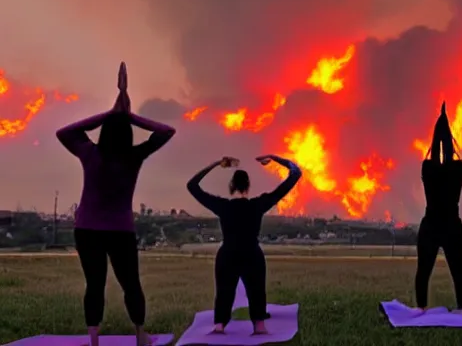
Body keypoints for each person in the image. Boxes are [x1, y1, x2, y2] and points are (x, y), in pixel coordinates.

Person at [56, 64, 176, 346]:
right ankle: (140, 336)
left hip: (87, 229)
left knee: (94, 285)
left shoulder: (89, 152)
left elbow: (65, 132)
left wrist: (109, 115)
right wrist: (129, 117)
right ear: (129, 133)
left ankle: (94, 340)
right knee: (131, 284)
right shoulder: (135, 156)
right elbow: (167, 131)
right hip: (120, 231)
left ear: (104, 132)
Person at [186, 154, 302, 335]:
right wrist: (273, 158)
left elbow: (192, 186)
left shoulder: (223, 206)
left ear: (231, 186)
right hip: (252, 253)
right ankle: (259, 325)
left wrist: (216, 163)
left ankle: (220, 326)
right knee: (257, 292)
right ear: (248, 186)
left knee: (224, 293)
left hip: (228, 254)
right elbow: (295, 173)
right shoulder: (258, 204)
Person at [414, 102, 462, 314]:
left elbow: (433, 162)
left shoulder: (427, 167)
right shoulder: (459, 168)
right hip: (452, 225)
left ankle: (421, 308)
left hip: (431, 224)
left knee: (423, 271)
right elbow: (451, 161)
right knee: (458, 272)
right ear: (450, 141)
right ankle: (461, 308)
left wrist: (438, 137)